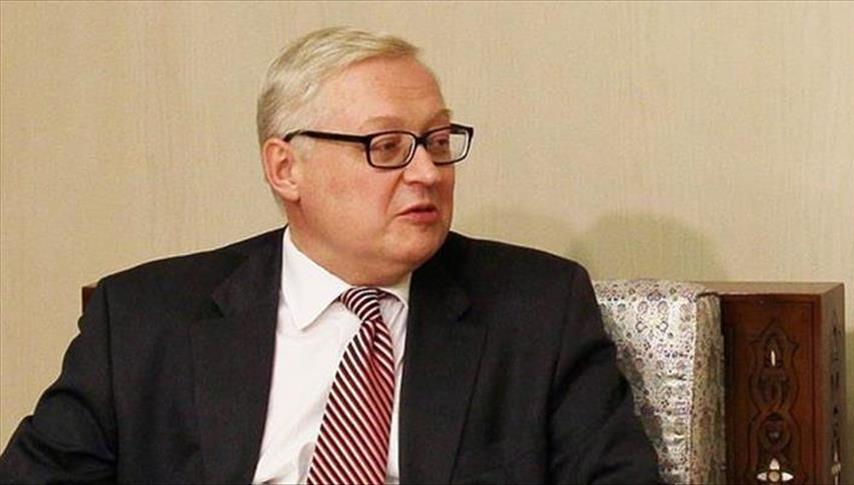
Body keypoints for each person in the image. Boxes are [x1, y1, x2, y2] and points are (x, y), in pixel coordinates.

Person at [0, 27, 659, 484]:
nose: (427, 172)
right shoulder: (144, 317)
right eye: (386, 147)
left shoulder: (537, 309)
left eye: (437, 141)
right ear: (285, 168)